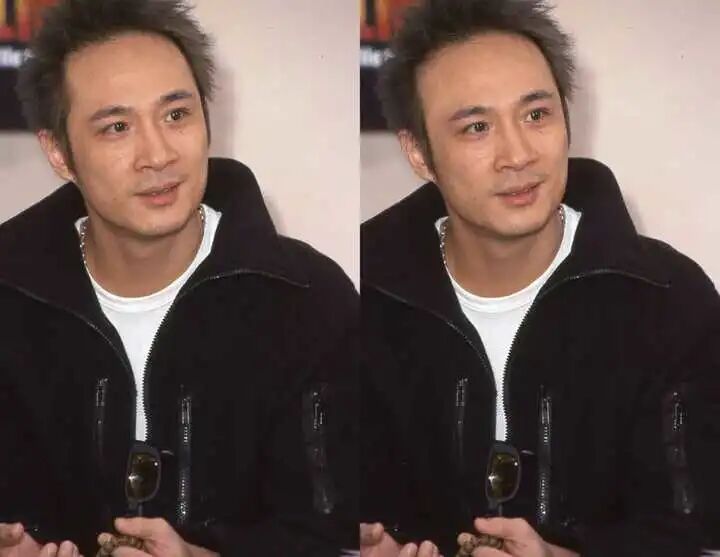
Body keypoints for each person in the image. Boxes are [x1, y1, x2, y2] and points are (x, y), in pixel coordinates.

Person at [360, 0, 720, 556]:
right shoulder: (362, 299)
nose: (518, 154)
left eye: (536, 115)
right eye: (477, 127)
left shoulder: (669, 299)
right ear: (418, 153)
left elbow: (692, 529)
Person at [0, 0, 357, 556]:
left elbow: (336, 536)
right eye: (117, 127)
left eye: (175, 115)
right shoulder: (9, 300)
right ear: (59, 153)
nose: (158, 154)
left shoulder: (308, 299)